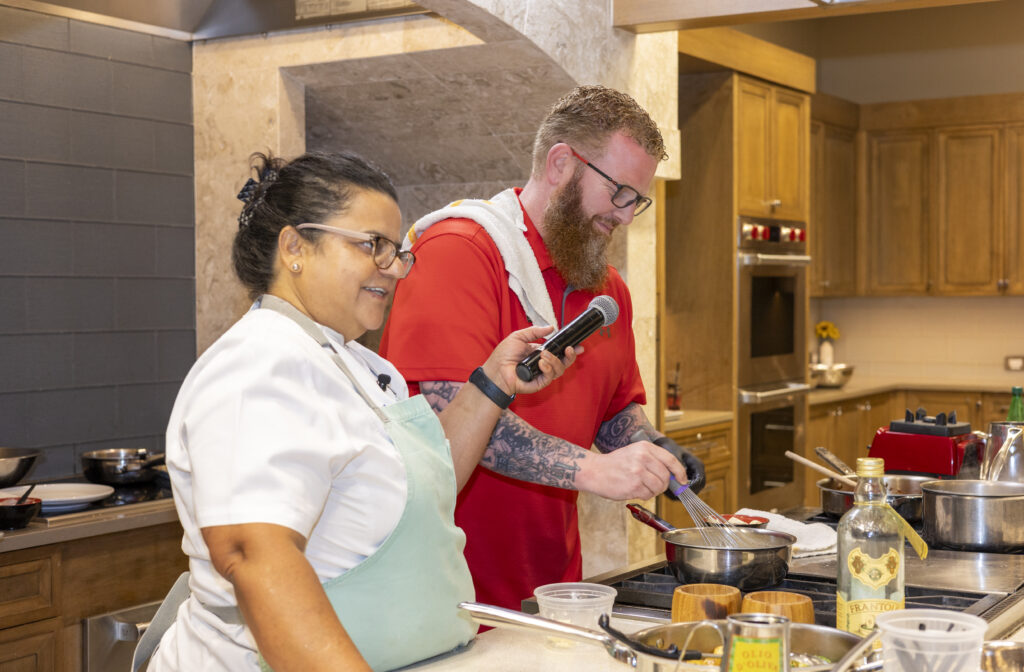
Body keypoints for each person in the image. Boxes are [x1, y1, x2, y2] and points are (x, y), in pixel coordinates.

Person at [141, 151, 576, 672]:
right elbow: (254, 555)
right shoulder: (258, 366)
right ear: (295, 247)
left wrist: (492, 384)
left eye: (397, 252)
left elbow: (424, 483)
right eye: (373, 245)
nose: (392, 269)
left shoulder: (362, 365)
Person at [380, 85, 707, 611]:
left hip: (554, 588)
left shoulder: (606, 291)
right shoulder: (460, 252)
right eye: (620, 193)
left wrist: (652, 446)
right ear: (561, 164)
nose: (626, 216)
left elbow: (613, 412)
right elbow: (453, 424)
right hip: (452, 593)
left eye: (637, 201)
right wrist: (594, 470)